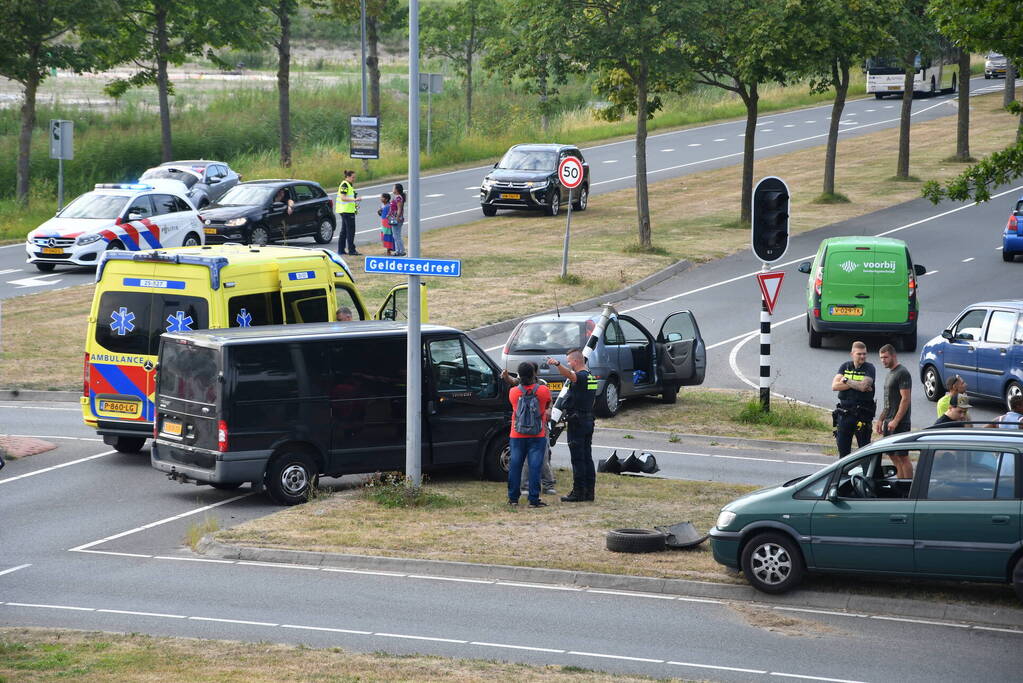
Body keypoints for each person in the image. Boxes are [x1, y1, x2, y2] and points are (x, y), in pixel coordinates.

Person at [549, 348, 597, 502]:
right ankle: (589, 492)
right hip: (588, 419)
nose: (568, 364)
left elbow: (571, 375)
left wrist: (557, 364)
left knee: (578, 459)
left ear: (576, 361)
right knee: (587, 457)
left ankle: (578, 492)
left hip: (578, 421)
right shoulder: (591, 377)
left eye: (569, 361)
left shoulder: (581, 376)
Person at [502, 364, 557, 495]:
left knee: (522, 461)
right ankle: (533, 493)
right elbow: (548, 402)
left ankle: (518, 494)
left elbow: (513, 383)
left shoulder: (514, 391)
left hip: (519, 432)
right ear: (534, 373)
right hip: (539, 429)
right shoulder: (543, 389)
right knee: (537, 460)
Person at [831, 341, 876, 457]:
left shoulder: (869, 368)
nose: (862, 356)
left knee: (864, 453)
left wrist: (846, 381)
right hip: (844, 415)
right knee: (843, 453)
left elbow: (863, 386)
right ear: (852, 354)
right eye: (859, 354)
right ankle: (845, 475)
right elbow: (834, 386)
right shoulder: (845, 366)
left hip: (862, 415)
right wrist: (857, 385)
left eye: (864, 354)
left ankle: (867, 475)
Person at [875, 344, 913, 478]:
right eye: (881, 358)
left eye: (885, 357)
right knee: (892, 455)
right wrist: (880, 419)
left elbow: (905, 399)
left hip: (900, 423)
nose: (883, 360)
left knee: (902, 456)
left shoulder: (902, 372)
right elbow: (888, 402)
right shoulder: (889, 374)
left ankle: (908, 489)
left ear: (893, 356)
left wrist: (896, 420)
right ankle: (900, 484)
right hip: (888, 421)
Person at [336, 170, 361, 256]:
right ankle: (351, 250)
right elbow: (343, 197)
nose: (354, 179)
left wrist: (354, 205)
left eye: (354, 177)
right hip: (346, 211)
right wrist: (355, 199)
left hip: (347, 210)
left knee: (344, 231)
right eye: (353, 177)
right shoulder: (345, 185)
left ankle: (341, 250)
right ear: (348, 177)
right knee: (350, 231)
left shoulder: (348, 184)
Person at [390, 184, 406, 256]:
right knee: (395, 235)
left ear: (396, 190)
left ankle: (401, 251)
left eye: (393, 188)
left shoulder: (398, 198)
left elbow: (399, 209)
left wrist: (397, 218)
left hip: (397, 219)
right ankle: (398, 251)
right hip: (395, 218)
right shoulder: (397, 197)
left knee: (397, 236)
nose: (392, 189)